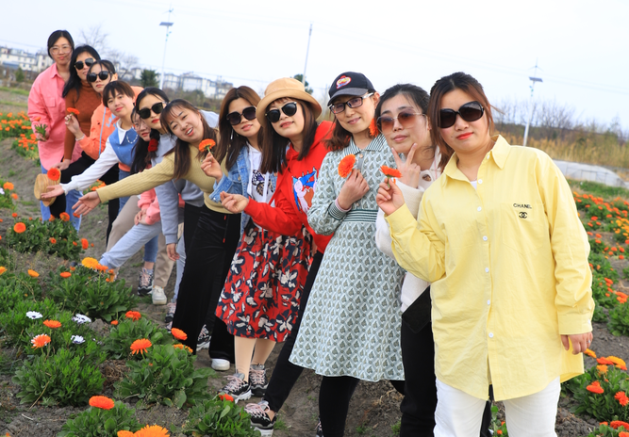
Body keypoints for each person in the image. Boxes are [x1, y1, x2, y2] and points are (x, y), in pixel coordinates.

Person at [376, 72, 594, 437]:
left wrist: (575, 313)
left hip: (530, 336)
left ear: (486, 111)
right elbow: (432, 266)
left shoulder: (533, 165)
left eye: (469, 111)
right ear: (437, 128)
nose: (460, 123)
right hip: (461, 341)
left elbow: (569, 244)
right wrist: (398, 213)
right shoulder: (438, 195)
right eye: (447, 117)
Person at [72, 99, 238, 368]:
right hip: (211, 215)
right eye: (174, 125)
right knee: (195, 278)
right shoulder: (180, 156)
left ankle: (223, 349)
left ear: (198, 114)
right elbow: (145, 179)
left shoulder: (230, 136)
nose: (182, 126)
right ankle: (184, 343)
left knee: (231, 279)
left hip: (245, 218)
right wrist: (101, 194)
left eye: (184, 117)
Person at [373, 83, 492, 437]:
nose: (396, 126)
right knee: (419, 406)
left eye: (405, 116)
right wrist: (407, 190)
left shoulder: (459, 166)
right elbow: (387, 244)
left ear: (430, 120)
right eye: (386, 121)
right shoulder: (394, 174)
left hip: (468, 305)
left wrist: (410, 196)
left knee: (472, 408)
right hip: (421, 306)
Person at [217, 77, 333, 435]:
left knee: (282, 311)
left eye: (289, 108)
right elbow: (287, 214)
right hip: (277, 237)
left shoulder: (330, 137)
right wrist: (243, 201)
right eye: (274, 113)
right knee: (251, 304)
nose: (282, 116)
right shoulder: (278, 158)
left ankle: (264, 379)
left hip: (310, 247)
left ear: (308, 109)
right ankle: (250, 382)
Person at [205, 86, 311, 402]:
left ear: (262, 111)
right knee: (245, 302)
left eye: (249, 112)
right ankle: (240, 376)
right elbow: (233, 197)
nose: (243, 120)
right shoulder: (238, 154)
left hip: (292, 239)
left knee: (278, 305)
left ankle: (257, 369)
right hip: (256, 235)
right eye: (234, 117)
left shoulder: (287, 148)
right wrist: (219, 178)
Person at [42, 81, 160, 297]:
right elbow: (96, 169)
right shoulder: (116, 138)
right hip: (140, 184)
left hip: (169, 187)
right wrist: (65, 187)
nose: (116, 103)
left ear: (132, 98)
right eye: (110, 100)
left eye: (120, 97)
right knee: (120, 225)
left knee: (169, 237)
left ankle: (158, 284)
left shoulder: (148, 124)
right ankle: (106, 276)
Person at [27, 30, 74, 221]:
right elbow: (36, 111)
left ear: (72, 48)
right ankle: (50, 232)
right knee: (48, 190)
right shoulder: (42, 80)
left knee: (73, 191)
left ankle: (71, 233)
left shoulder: (80, 77)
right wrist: (42, 130)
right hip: (52, 145)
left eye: (65, 47)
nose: (61, 52)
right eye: (55, 48)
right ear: (50, 52)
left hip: (76, 147)